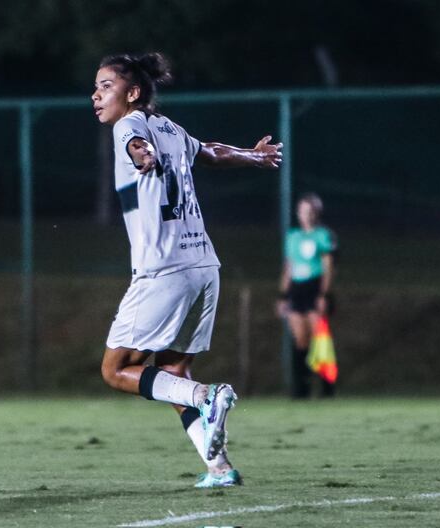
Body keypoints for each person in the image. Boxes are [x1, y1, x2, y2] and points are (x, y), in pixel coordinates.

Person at [92, 52, 282, 488]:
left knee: (115, 369)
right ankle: (219, 467)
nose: (96, 94)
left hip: (164, 271)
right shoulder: (172, 129)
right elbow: (212, 152)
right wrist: (254, 157)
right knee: (172, 373)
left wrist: (141, 156)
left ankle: (209, 397)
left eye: (105, 86)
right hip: (204, 268)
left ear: (133, 93)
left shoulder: (130, 125)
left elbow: (134, 145)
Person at [276, 193, 337, 398]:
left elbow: (328, 267)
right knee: (300, 340)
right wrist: (282, 296)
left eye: (310, 211)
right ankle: (301, 388)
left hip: (314, 289)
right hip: (297, 290)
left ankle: (327, 387)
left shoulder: (323, 236)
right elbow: (288, 267)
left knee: (319, 339)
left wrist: (324, 295)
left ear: (316, 213)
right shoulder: (293, 237)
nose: (306, 215)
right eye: (302, 211)